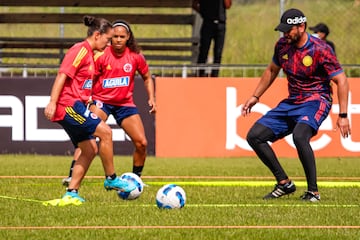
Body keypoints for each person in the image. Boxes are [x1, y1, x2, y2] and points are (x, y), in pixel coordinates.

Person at [241, 8, 350, 202]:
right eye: (282, 30)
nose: (285, 34)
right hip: (292, 102)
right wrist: (255, 96)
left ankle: (313, 192)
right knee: (254, 136)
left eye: (288, 30)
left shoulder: (321, 49)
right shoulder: (282, 45)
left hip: (317, 100)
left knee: (300, 136)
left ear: (301, 26)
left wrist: (343, 115)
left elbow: (341, 80)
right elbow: (272, 70)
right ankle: (284, 183)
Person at [44, 15, 135, 206]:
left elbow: (82, 83)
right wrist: (52, 102)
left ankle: (71, 193)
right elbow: (62, 75)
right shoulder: (80, 50)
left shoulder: (91, 54)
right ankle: (111, 178)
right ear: (97, 35)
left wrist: (89, 101)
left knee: (90, 148)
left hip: (76, 104)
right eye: (108, 39)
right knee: (106, 132)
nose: (110, 43)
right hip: (67, 105)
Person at [61, 19, 156, 186]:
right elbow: (88, 77)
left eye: (122, 36)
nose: (118, 40)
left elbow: (147, 77)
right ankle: (71, 174)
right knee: (88, 135)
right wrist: (87, 97)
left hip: (124, 104)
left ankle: (136, 180)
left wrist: (152, 98)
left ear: (128, 37)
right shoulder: (101, 55)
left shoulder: (136, 57)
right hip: (101, 102)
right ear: (110, 37)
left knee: (142, 143)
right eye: (115, 36)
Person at [192, 0, 232, 77]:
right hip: (208, 22)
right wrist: (204, 13)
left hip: (220, 23)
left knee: (218, 53)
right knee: (204, 51)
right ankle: (200, 75)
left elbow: (228, 5)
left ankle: (215, 76)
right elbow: (194, 4)